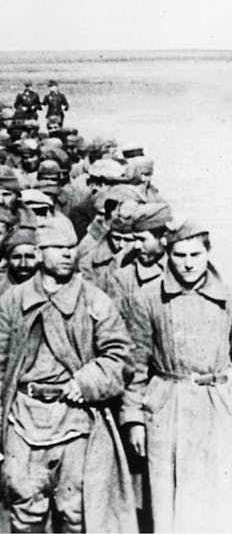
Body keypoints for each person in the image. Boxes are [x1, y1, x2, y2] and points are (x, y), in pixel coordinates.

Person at [0, 216, 136, 532]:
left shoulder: (94, 300)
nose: (68, 254)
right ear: (38, 252)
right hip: (23, 417)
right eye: (58, 248)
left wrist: (88, 380)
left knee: (75, 510)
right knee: (24, 505)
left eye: (71, 247)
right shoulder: (13, 301)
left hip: (75, 418)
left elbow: (121, 357)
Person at [121, 219, 232, 531]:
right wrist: (134, 419)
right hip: (167, 406)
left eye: (195, 255)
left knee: (217, 492)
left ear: (208, 253)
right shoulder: (149, 298)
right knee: (167, 494)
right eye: (179, 255)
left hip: (217, 406)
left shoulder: (227, 297)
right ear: (168, 255)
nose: (188, 264)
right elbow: (136, 365)